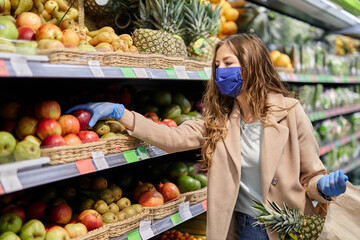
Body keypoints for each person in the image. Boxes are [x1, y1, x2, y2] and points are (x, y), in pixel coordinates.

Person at [67, 33, 348, 240]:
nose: (220, 71)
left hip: (287, 228)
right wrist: (121, 113)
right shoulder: (219, 121)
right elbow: (171, 137)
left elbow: (310, 178)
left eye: (228, 62)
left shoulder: (291, 112)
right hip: (242, 226)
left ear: (251, 65)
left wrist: (323, 186)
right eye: (217, 65)